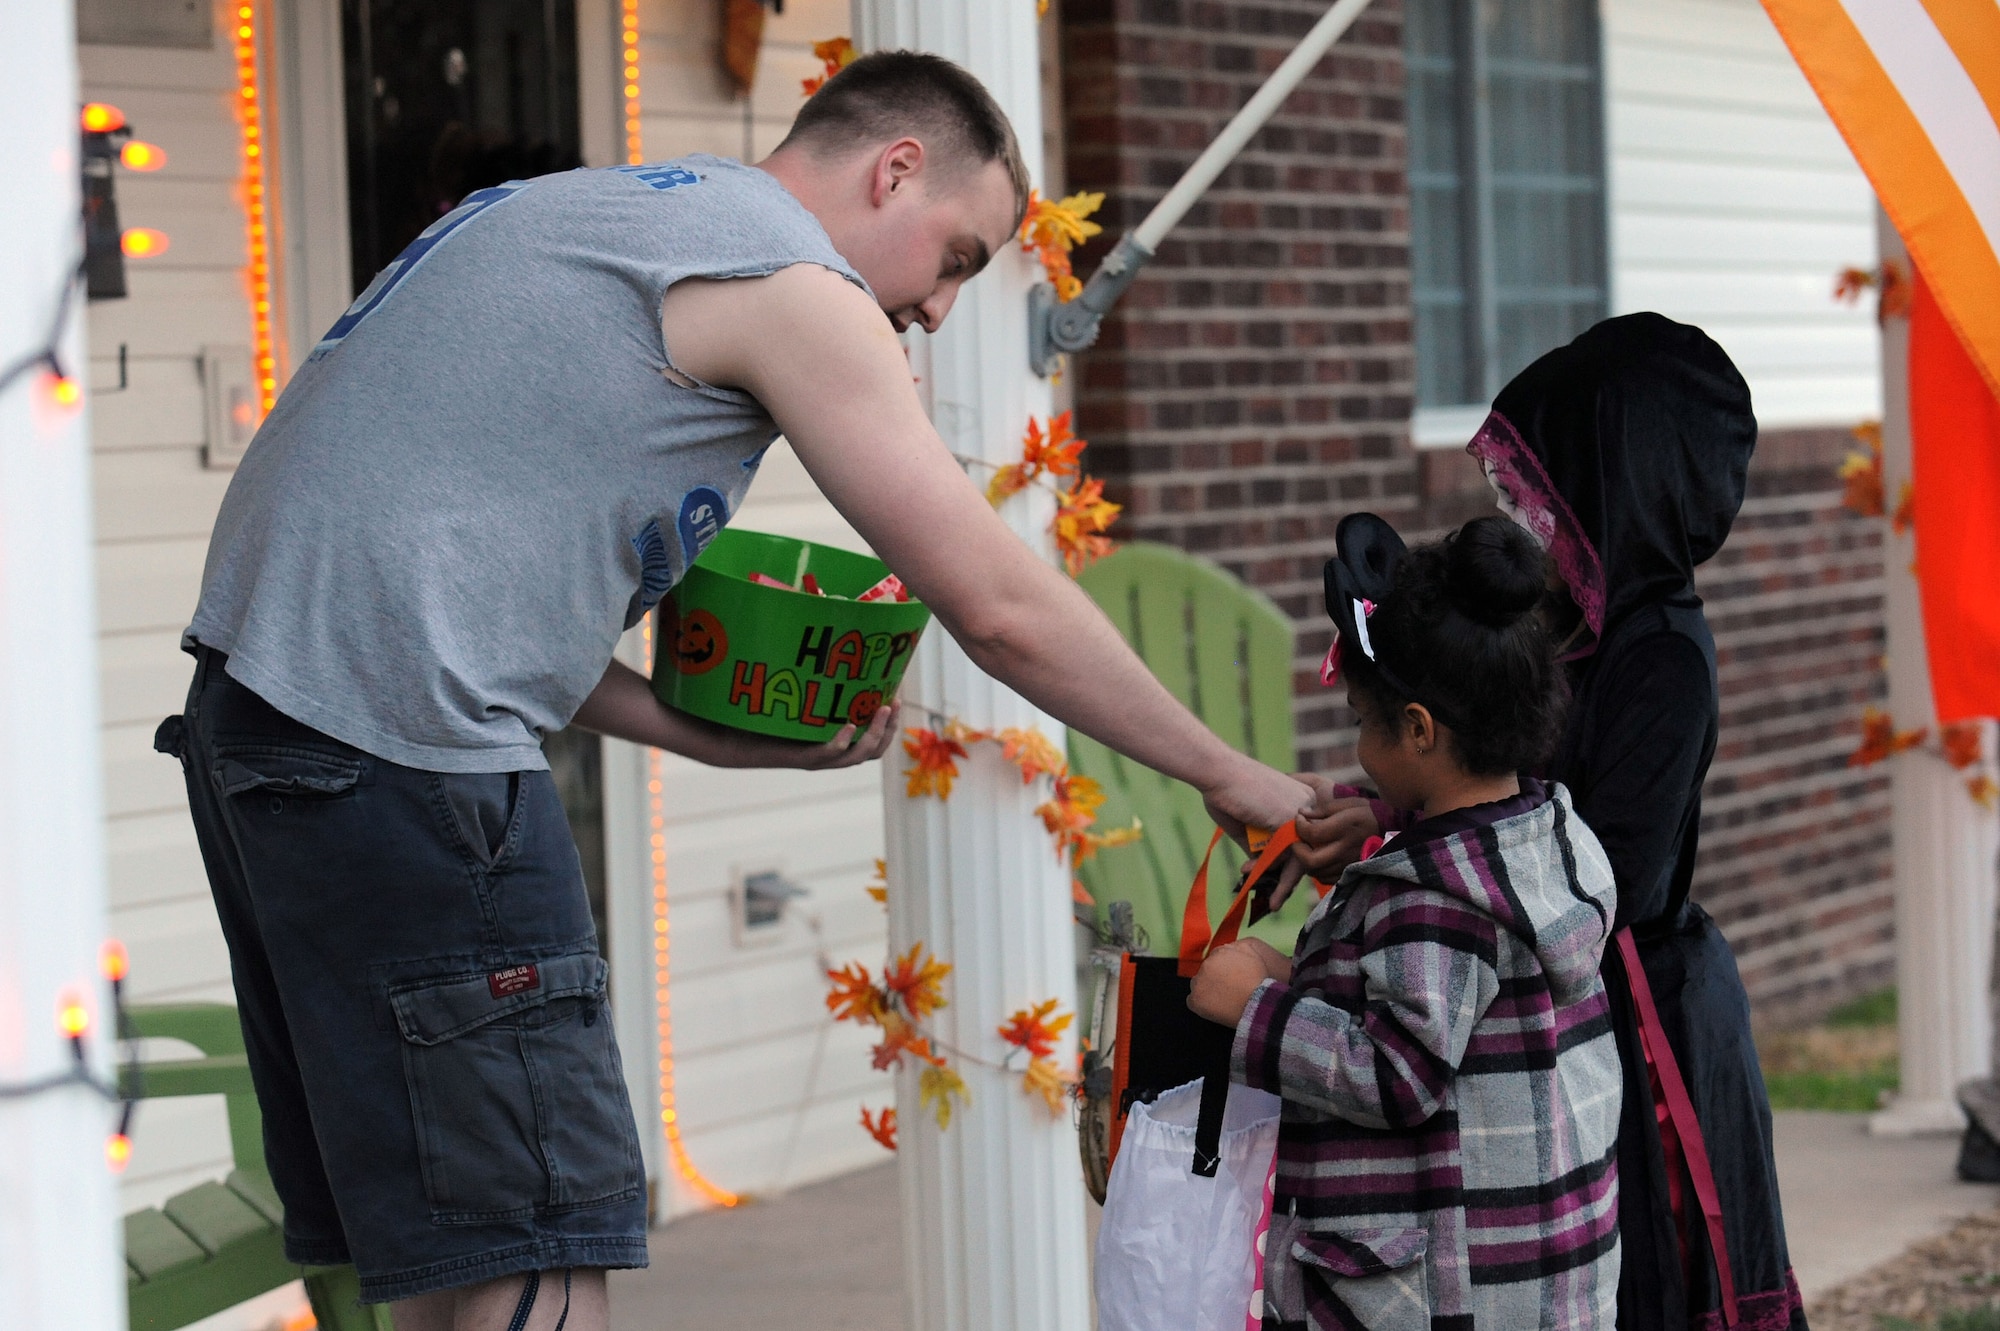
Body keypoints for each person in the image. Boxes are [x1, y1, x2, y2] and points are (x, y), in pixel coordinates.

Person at [160, 51, 1311, 1331]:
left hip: (264, 740)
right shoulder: (788, 278)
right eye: (958, 259)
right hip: (410, 766)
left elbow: (438, 587)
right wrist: (1226, 769)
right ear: (894, 170)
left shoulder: (582, 212)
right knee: (538, 1250)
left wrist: (699, 737)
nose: (935, 311)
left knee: (449, 1251)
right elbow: (994, 605)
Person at [1292, 314, 1803, 1330]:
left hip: (1626, 1011)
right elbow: (1490, 787)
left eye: (1537, 488)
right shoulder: (1559, 627)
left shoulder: (1660, 656)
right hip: (1530, 991)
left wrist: (1413, 847)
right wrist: (1381, 816)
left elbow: (1596, 867)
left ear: (1612, 484)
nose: (1519, 512)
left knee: (1632, 1273)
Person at [1191, 514, 1623, 1330]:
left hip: (1434, 1295)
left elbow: (1396, 1072)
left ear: (1419, 728)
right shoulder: (1547, 841)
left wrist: (1257, 1005)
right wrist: (1309, 971)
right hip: (1538, 1273)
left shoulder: (1432, 897)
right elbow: (1452, 1020)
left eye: (1361, 717)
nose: (1355, 738)